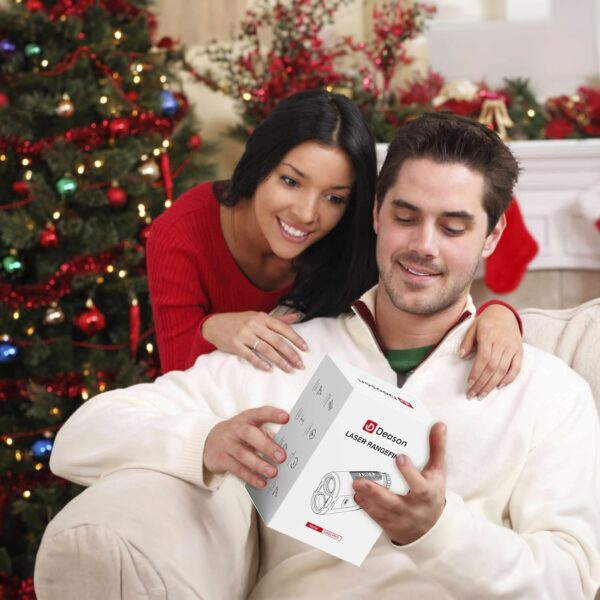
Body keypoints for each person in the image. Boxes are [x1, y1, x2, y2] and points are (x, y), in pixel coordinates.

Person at [35, 113, 600, 599]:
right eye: (406, 217)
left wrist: (438, 529)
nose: (424, 245)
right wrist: (202, 443)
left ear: (492, 236)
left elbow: (571, 580)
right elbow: (80, 439)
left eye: (453, 227)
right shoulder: (288, 354)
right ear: (375, 214)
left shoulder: (549, 393)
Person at [147, 89, 522, 398]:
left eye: (334, 197)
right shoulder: (181, 233)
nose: (306, 214)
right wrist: (210, 328)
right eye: (291, 181)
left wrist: (499, 315)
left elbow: (418, 293)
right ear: (261, 164)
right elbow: (177, 387)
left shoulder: (352, 236)